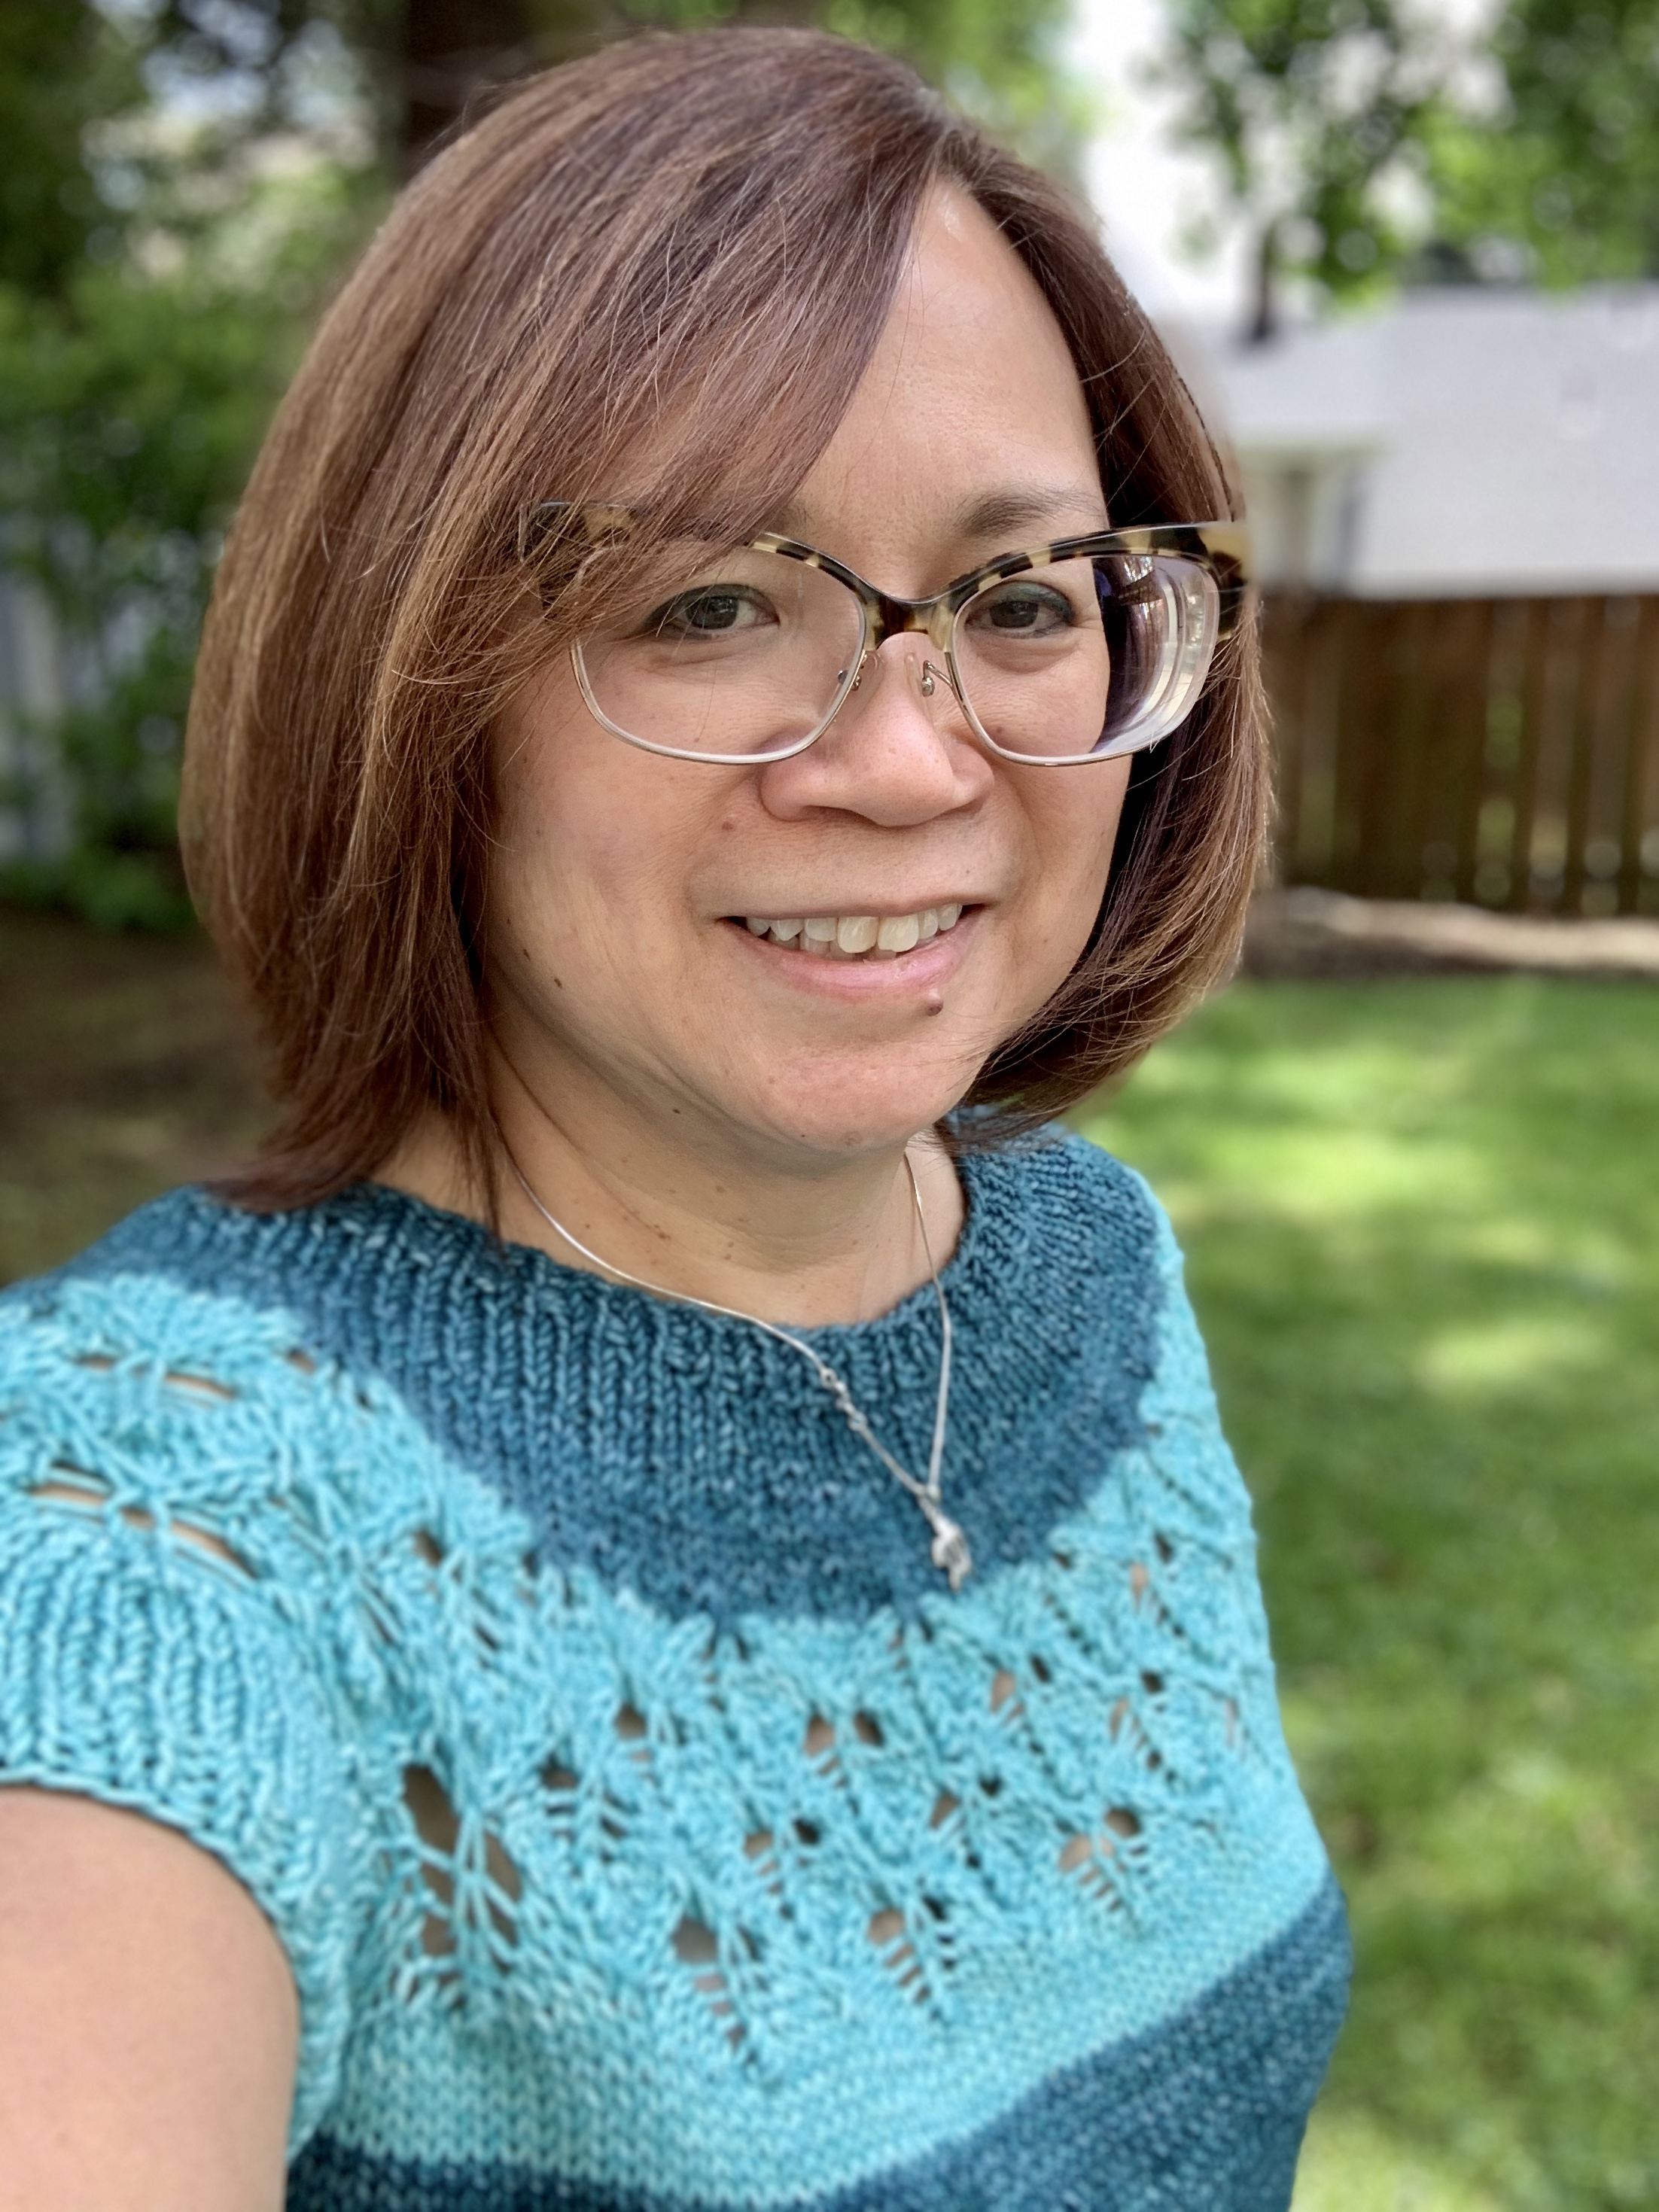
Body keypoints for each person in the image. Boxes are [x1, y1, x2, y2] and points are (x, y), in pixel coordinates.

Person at [0, 27, 1348, 2211]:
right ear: (411, 683)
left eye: (1017, 597)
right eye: (708, 603)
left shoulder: (1091, 1280)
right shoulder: (146, 1528)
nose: (905, 761)